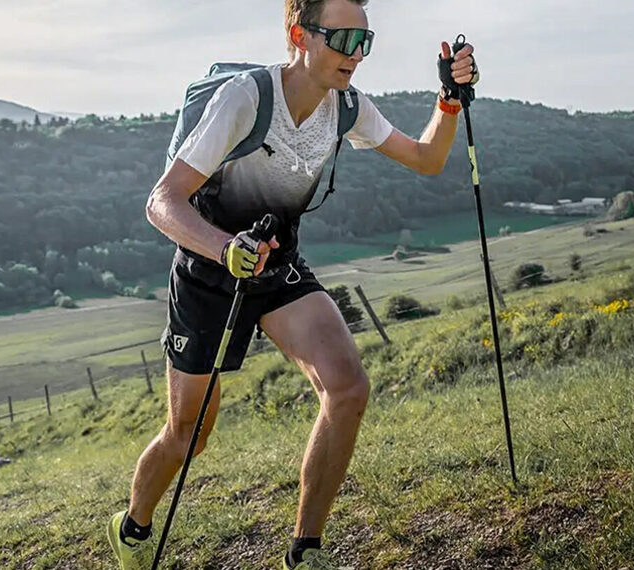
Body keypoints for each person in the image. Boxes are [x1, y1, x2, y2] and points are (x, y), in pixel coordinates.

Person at [107, 0, 479, 568]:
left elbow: (427, 159)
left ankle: (306, 552)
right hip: (209, 271)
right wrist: (223, 248)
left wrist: (448, 102)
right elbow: (162, 201)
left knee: (348, 388)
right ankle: (132, 529)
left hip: (277, 267)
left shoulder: (346, 107)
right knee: (189, 435)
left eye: (364, 41)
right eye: (341, 40)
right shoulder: (248, 99)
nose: (354, 56)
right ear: (297, 33)